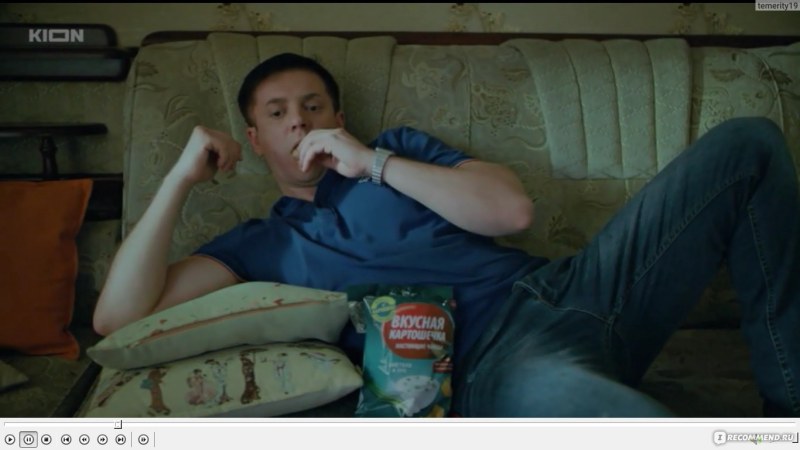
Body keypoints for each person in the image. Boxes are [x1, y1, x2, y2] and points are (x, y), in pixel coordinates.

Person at [93, 53, 800, 418]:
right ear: (255, 139)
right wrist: (180, 178)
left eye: (313, 105)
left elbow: (511, 213)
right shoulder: (260, 244)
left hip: (576, 288)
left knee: (748, 145)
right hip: (499, 363)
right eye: (277, 113)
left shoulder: (396, 152)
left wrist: (372, 163)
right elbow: (118, 319)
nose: (299, 120)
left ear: (339, 117)